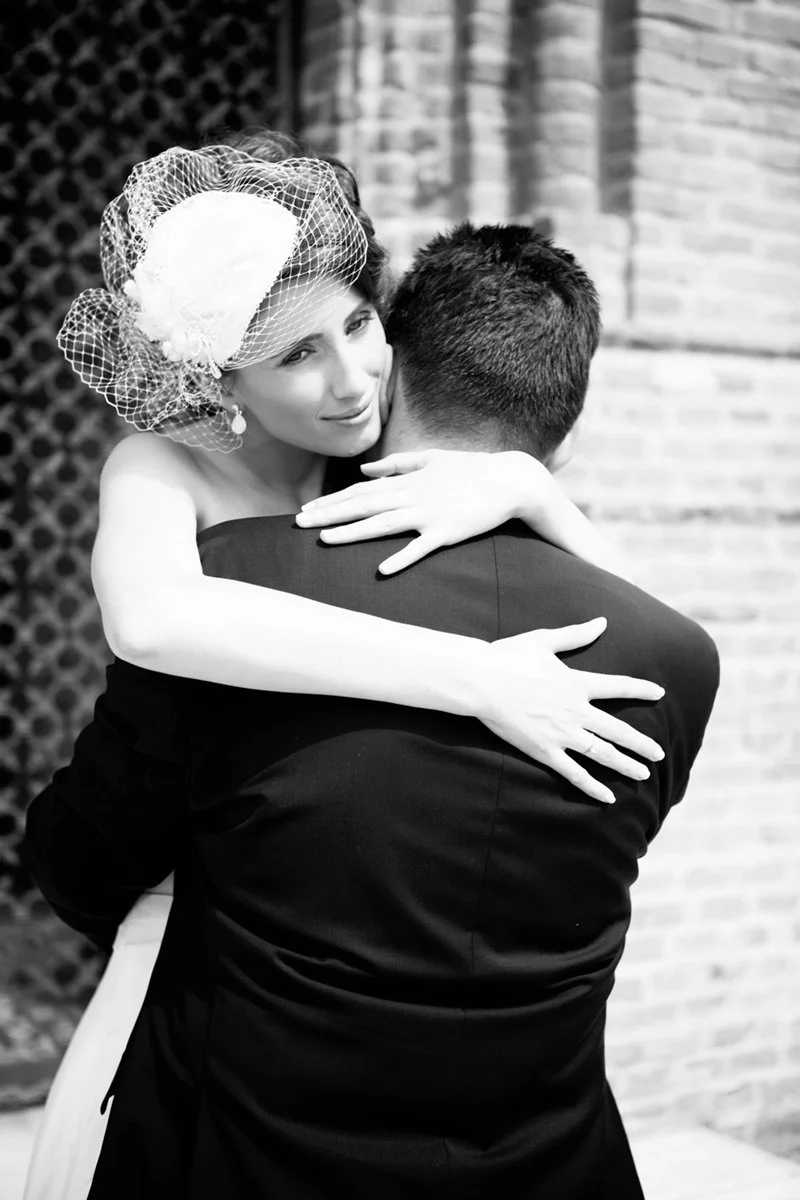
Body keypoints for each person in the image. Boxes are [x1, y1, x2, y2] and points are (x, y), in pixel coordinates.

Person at [26, 216, 719, 1198]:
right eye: (297, 355)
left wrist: (535, 492)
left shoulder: (382, 459)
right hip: (224, 918)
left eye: (357, 325)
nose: (352, 380)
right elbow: (148, 620)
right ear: (222, 381)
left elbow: (662, 640)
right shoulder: (161, 471)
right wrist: (471, 676)